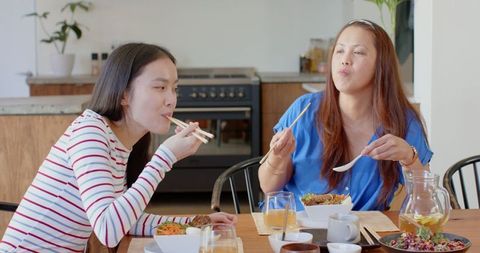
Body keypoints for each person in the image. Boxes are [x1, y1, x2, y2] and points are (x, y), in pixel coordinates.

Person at [0, 43, 236, 252]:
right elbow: (108, 230)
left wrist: (196, 223)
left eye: (174, 88)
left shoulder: (120, 141)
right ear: (124, 95)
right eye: (160, 88)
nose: (171, 99)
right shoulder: (90, 133)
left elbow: (125, 220)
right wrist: (165, 157)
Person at [258, 19, 432, 211]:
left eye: (357, 52)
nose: (345, 59)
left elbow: (426, 205)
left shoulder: (403, 122)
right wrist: (277, 158)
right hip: (294, 231)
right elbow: (268, 186)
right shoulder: (304, 109)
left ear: (381, 65)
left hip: (361, 236)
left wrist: (410, 158)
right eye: (339, 51)